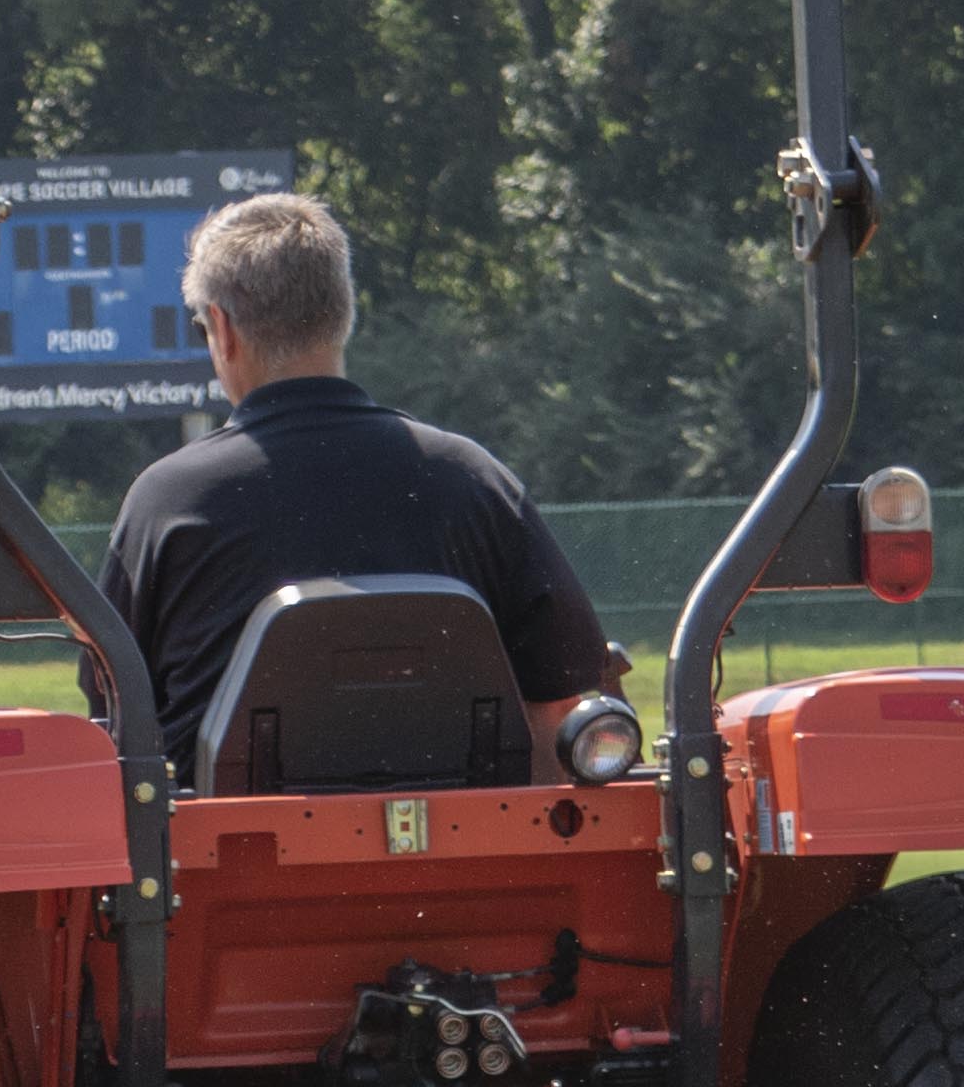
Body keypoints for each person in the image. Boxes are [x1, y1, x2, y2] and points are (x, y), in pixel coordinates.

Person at [94, 192, 618, 763]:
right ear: (344, 314)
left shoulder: (167, 501)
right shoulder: (475, 480)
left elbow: (114, 705)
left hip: (226, 823)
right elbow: (557, 706)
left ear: (221, 329)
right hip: (462, 820)